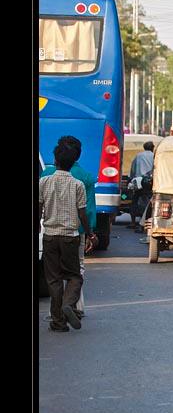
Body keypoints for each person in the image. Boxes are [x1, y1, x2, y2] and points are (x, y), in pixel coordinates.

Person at [40, 136, 97, 319]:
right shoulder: (82, 181)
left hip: (49, 235)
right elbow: (85, 212)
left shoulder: (44, 180)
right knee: (75, 274)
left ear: (55, 159)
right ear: (76, 158)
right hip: (72, 235)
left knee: (54, 278)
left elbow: (38, 209)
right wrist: (90, 233)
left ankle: (57, 320)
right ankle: (71, 305)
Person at [129, 141, 155, 232]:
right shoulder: (154, 156)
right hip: (149, 182)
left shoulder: (138, 156)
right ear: (152, 148)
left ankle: (132, 222)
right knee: (149, 202)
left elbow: (133, 168)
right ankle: (147, 222)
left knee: (134, 200)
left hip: (139, 181)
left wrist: (131, 178)